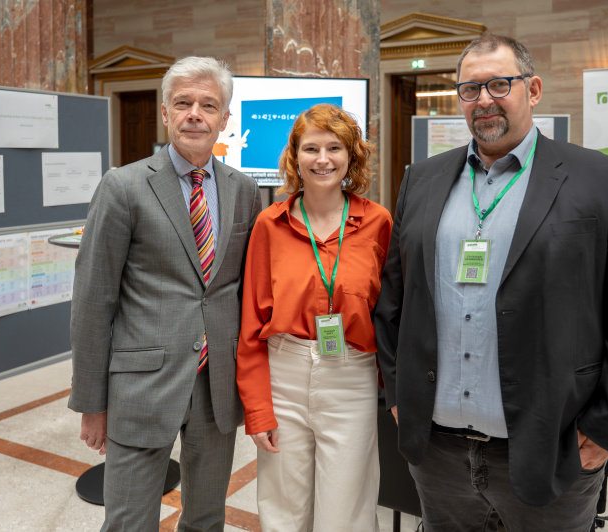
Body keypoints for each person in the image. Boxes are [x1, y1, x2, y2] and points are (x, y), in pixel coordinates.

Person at [374, 34, 608, 531]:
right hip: (437, 450)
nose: (483, 99)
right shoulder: (420, 180)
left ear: (533, 89)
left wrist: (607, 427)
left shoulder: (599, 179)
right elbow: (395, 299)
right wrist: (398, 395)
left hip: (550, 443)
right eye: (469, 89)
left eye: (499, 84)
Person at [68, 56, 262, 531]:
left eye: (208, 105)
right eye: (184, 103)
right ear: (165, 112)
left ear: (225, 119)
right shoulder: (124, 186)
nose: (196, 113)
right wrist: (92, 403)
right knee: (129, 521)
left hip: (216, 386)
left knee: (205, 518)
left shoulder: (245, 189)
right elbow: (94, 302)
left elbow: (240, 289)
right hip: (140, 386)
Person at [236, 103, 392, 531]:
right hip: (283, 372)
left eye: (334, 147)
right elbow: (251, 324)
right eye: (310, 149)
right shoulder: (270, 225)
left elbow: (393, 315)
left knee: (347, 512)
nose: (322, 159)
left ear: (350, 156)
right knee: (283, 509)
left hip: (352, 377)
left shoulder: (378, 222)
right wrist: (258, 410)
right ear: (295, 158)